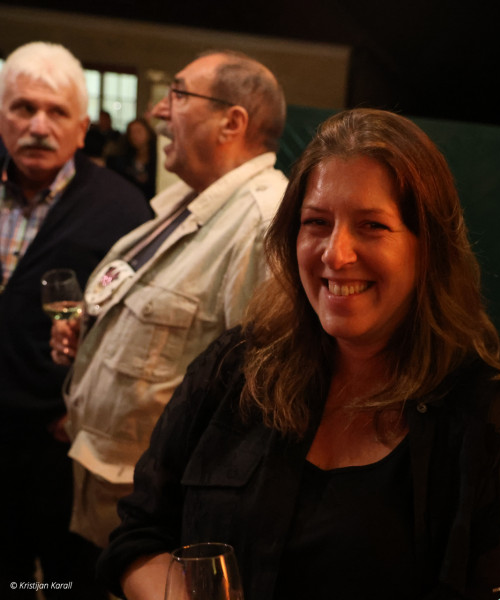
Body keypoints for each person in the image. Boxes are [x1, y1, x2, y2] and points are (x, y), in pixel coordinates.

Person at [97, 108, 500, 600]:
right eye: (316, 222)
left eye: (372, 226)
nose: (336, 254)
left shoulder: (491, 425)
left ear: (428, 249)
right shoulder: (233, 368)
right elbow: (138, 537)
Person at [50, 50, 289, 553]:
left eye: (178, 94)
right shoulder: (187, 201)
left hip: (155, 517)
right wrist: (92, 336)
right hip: (106, 487)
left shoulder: (261, 222)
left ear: (232, 122)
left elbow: (255, 406)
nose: (159, 110)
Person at [0, 42, 152, 596]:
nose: (38, 125)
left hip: (60, 446)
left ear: (82, 128)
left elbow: (141, 332)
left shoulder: (122, 209)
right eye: (23, 108)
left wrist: (84, 411)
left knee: (69, 583)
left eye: (57, 112)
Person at [107, 117, 157, 201]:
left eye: (139, 131)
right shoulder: (122, 159)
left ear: (148, 133)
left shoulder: (157, 159)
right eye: (132, 133)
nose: (135, 136)